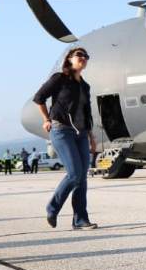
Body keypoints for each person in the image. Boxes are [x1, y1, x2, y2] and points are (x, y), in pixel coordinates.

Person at [33, 47, 98, 230]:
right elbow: (39, 98)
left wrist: (91, 136)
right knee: (75, 173)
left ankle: (80, 219)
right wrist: (46, 119)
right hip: (61, 131)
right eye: (80, 55)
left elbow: (86, 113)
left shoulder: (85, 86)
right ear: (69, 58)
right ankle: (52, 207)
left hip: (81, 134)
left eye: (86, 56)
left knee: (82, 177)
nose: (83, 58)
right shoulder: (59, 79)